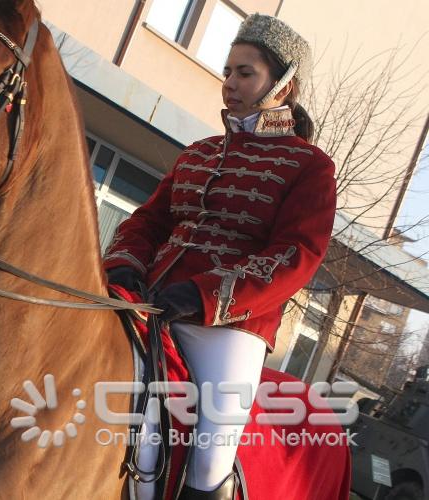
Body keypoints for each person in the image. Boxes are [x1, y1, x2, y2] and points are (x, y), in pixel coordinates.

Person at [103, 14, 336, 500]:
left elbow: (297, 254)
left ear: (284, 84)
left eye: (245, 73)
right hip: (147, 300)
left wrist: (205, 294)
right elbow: (149, 221)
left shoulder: (309, 165)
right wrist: (125, 262)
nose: (229, 83)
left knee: (211, 456)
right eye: (228, 71)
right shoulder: (198, 153)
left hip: (228, 327)